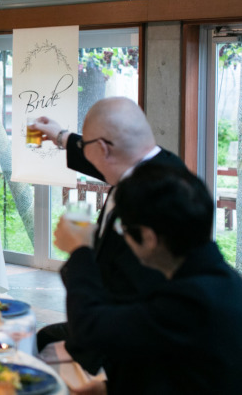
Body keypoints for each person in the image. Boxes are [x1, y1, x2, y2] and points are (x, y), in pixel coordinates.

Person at [54, 163, 242, 394]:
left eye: (123, 229)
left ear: (149, 237)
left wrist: (80, 250)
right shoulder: (221, 279)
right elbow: (183, 371)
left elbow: (90, 329)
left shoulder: (194, 300)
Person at [31, 97, 187, 370]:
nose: (84, 152)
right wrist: (61, 136)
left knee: (42, 346)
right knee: (43, 337)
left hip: (132, 331)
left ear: (103, 148)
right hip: (125, 315)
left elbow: (132, 291)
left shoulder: (152, 199)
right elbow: (103, 160)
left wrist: (80, 249)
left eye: (86, 146)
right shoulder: (151, 164)